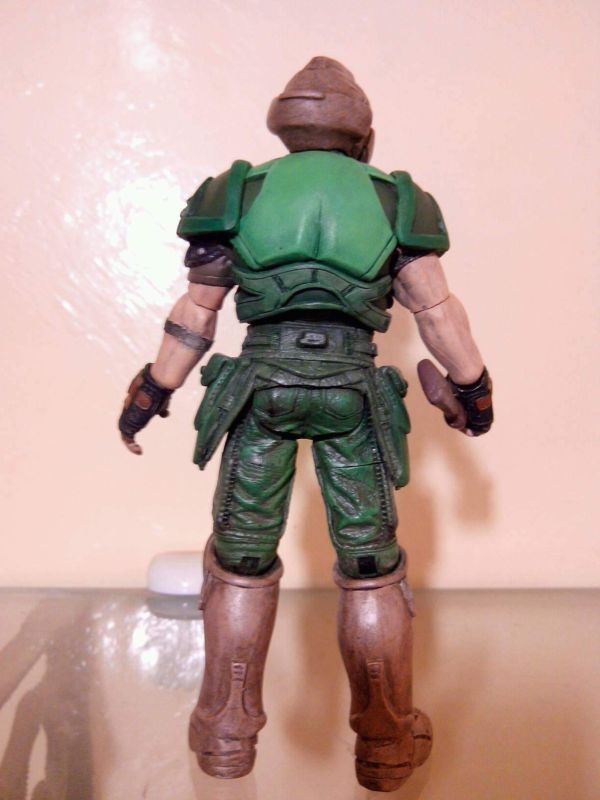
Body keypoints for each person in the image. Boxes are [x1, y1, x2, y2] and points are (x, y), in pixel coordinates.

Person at [118, 57, 493, 792]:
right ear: (362, 134)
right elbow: (437, 312)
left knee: (242, 555)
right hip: (352, 392)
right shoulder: (396, 200)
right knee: (369, 564)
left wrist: (152, 389)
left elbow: (196, 314)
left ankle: (225, 734)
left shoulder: (237, 193)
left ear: (283, 126)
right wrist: (473, 387)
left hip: (261, 389)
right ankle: (385, 740)